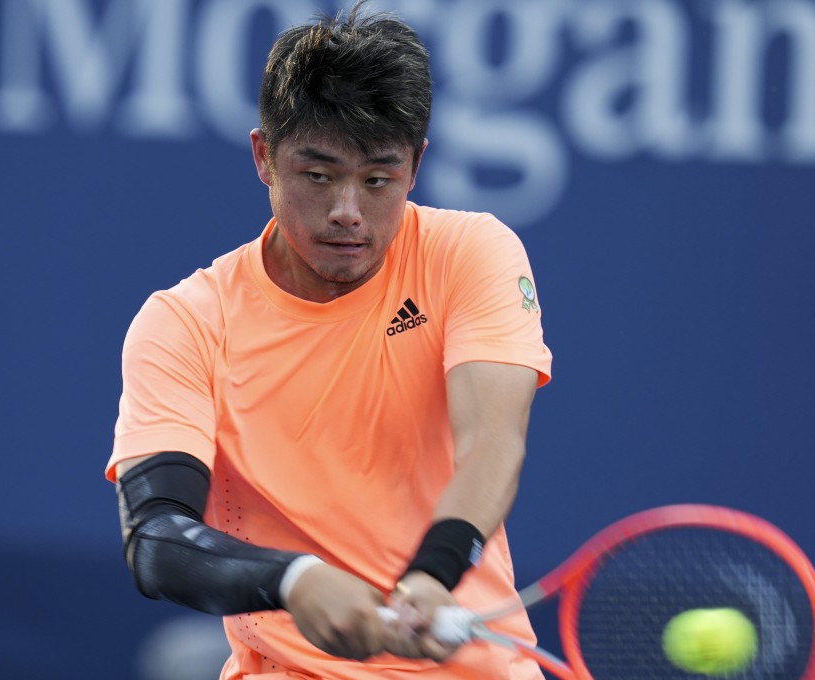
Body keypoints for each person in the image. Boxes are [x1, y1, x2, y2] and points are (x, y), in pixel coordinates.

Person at [106, 2, 552, 677]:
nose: (348, 211)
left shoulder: (470, 252)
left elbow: (492, 441)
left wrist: (432, 574)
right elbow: (156, 537)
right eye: (318, 176)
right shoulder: (186, 323)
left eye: (378, 180)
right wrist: (294, 579)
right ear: (265, 157)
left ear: (416, 165)